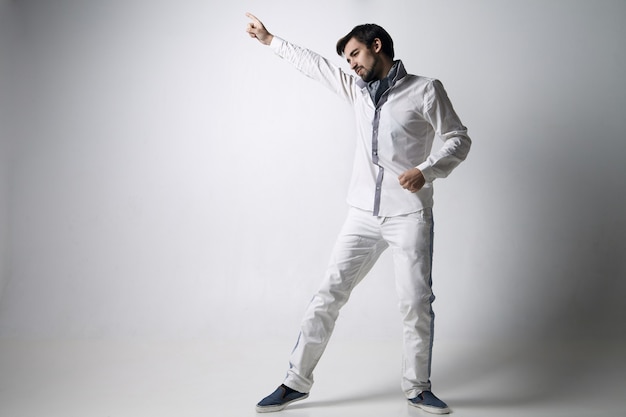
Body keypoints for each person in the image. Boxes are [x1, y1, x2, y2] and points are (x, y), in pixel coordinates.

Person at [245, 12, 471, 415]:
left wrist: (427, 170)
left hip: (409, 215)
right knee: (327, 294)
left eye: (354, 55)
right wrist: (270, 40)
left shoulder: (425, 90)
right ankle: (295, 382)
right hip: (362, 215)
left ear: (376, 46)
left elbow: (458, 138)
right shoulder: (357, 88)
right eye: (348, 61)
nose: (351, 65)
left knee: (415, 302)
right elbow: (315, 66)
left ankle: (418, 388)